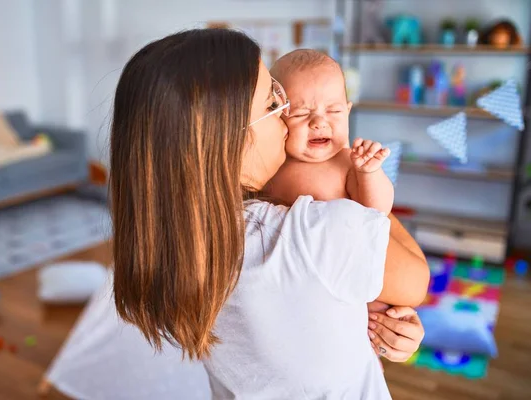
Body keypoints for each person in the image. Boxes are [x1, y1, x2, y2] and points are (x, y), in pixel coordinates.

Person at [110, 29, 429, 399]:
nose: (286, 116)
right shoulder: (313, 232)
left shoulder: (176, 240)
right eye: (273, 104)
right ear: (226, 138)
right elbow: (415, 281)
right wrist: (345, 187)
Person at [265, 49, 394, 214]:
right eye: (301, 114)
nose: (319, 122)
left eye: (333, 111)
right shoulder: (271, 163)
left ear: (347, 112)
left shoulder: (347, 163)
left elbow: (378, 211)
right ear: (275, 118)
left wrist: (369, 173)